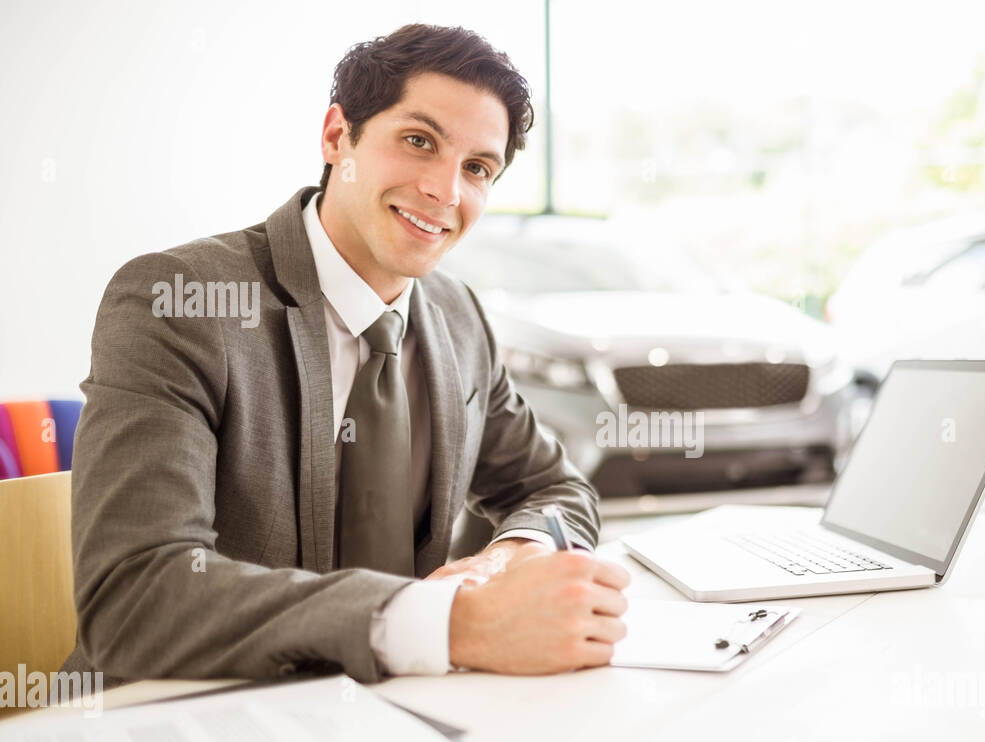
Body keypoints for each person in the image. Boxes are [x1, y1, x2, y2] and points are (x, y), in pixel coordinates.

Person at [59, 23, 630, 688]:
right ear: (337, 137)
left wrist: (508, 559)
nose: (446, 192)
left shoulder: (458, 316)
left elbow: (554, 488)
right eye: (419, 142)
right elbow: (135, 598)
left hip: (396, 722)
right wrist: (453, 622)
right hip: (177, 724)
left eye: (477, 168)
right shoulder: (180, 302)